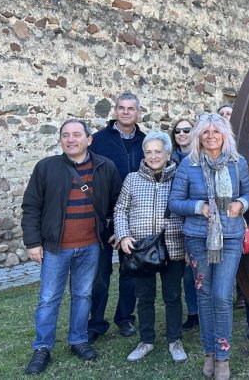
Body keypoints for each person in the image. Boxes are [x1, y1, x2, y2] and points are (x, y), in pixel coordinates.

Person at [21, 119, 122, 374]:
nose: (70, 139)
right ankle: (42, 347)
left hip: (90, 246)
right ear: (60, 140)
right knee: (48, 299)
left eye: (77, 135)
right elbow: (31, 207)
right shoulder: (46, 168)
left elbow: (117, 203)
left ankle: (78, 339)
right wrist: (33, 242)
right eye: (65, 135)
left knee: (83, 295)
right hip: (56, 247)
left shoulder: (105, 166)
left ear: (89, 139)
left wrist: (113, 232)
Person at [168, 113, 249, 380]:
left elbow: (248, 193)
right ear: (199, 136)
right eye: (205, 132)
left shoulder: (237, 163)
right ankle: (209, 354)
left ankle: (223, 356)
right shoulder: (188, 165)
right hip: (197, 238)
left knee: (221, 296)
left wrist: (241, 204)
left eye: (216, 131)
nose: (211, 136)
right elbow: (174, 203)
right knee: (204, 296)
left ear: (225, 134)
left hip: (229, 238)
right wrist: (199, 207)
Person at [114, 132, 187, 363]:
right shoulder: (132, 179)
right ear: (143, 154)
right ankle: (146, 340)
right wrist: (124, 235)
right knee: (144, 297)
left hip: (173, 246)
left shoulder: (180, 177)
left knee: (173, 296)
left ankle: (174, 340)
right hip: (141, 249)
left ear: (167, 153)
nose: (153, 156)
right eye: (149, 152)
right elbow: (120, 210)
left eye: (158, 151)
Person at [88, 92, 144, 342]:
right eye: (121, 108)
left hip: (134, 219)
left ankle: (125, 318)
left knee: (129, 272)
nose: (125, 112)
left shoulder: (145, 141)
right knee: (99, 276)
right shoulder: (99, 141)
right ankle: (96, 322)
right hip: (103, 219)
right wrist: (109, 223)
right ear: (115, 111)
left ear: (138, 112)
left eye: (130, 108)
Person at [169, 118, 199, 330]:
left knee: (193, 269)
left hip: (193, 217)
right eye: (177, 130)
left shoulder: (199, 158)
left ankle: (196, 311)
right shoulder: (169, 159)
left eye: (186, 130)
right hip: (172, 219)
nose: (181, 133)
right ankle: (185, 310)